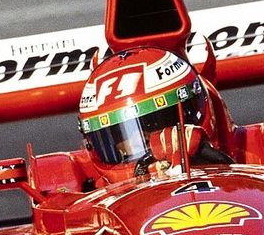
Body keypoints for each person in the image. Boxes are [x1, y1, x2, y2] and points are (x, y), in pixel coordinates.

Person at [78, 46, 231, 181]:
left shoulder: (251, 150)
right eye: (126, 139)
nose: (158, 147)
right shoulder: (82, 185)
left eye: (159, 129)